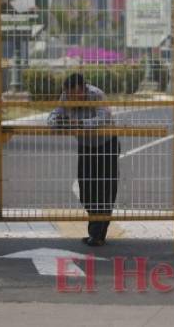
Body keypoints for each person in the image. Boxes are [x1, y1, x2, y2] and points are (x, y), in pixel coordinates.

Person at [47, 73, 120, 247]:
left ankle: (97, 234)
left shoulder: (96, 94)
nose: (72, 99)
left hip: (106, 144)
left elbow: (103, 117)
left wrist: (79, 124)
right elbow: (55, 113)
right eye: (69, 95)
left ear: (84, 88)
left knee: (104, 190)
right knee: (86, 189)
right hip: (85, 145)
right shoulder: (66, 96)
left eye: (76, 95)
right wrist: (56, 122)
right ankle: (96, 230)